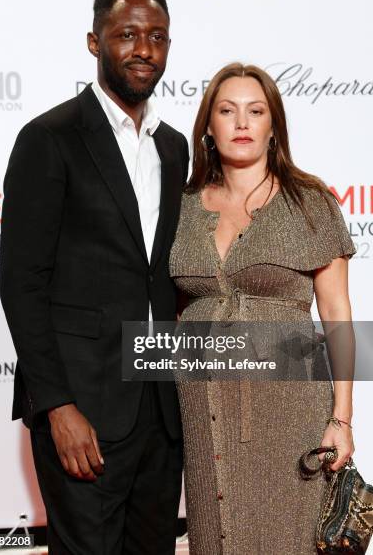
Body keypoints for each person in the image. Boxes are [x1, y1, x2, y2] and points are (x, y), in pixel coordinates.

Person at [0, 0, 189, 555]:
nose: (143, 50)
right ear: (94, 42)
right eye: (127, 34)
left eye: (156, 37)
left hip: (161, 410)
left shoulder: (174, 146)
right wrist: (56, 406)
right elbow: (22, 283)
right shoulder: (50, 138)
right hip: (83, 410)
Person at [169, 62, 355, 554]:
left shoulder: (310, 201)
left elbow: (337, 317)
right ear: (208, 126)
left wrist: (342, 418)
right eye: (227, 111)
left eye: (256, 111)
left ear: (274, 125)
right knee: (216, 535)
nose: (242, 123)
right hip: (202, 409)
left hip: (289, 411)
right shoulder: (182, 205)